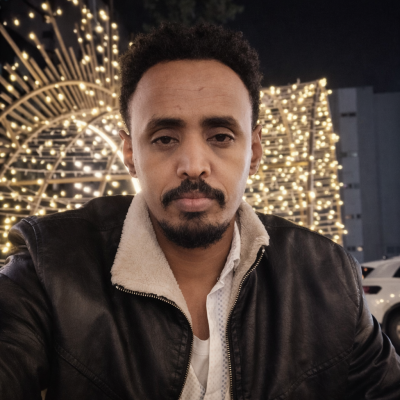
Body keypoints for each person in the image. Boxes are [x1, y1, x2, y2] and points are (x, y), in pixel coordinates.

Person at [0, 23, 399, 400]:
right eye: (165, 138)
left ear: (254, 151)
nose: (193, 165)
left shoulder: (327, 277)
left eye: (220, 136)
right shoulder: (49, 268)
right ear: (130, 153)